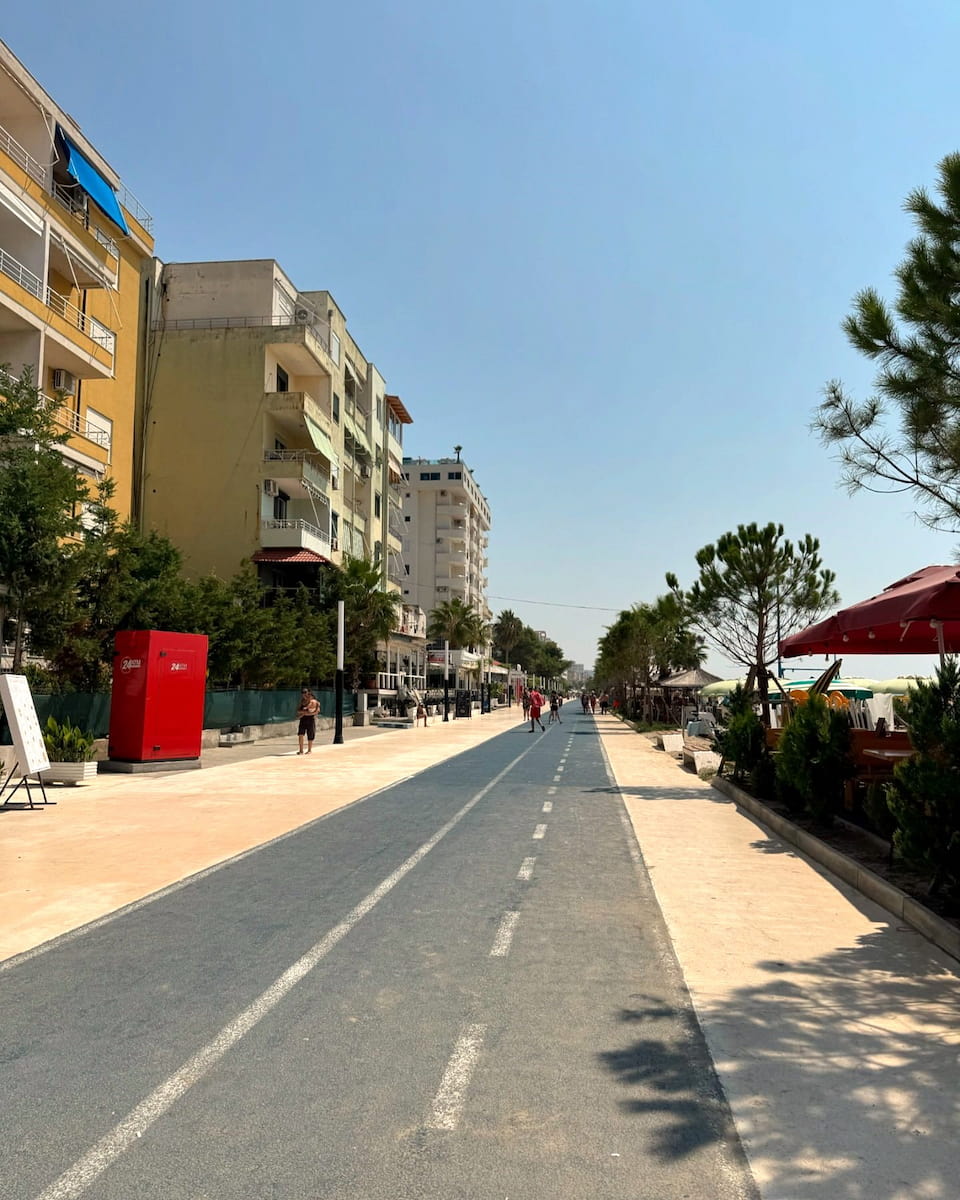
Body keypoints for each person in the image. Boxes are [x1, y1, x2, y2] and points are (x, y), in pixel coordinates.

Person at [296, 688, 320, 754]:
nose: (304, 695)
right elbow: (298, 710)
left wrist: (306, 713)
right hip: (303, 719)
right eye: (303, 693)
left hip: (310, 719)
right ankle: (301, 750)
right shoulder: (302, 701)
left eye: (305, 693)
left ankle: (309, 750)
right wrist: (303, 712)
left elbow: (317, 711)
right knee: (300, 734)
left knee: (310, 734)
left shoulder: (314, 702)